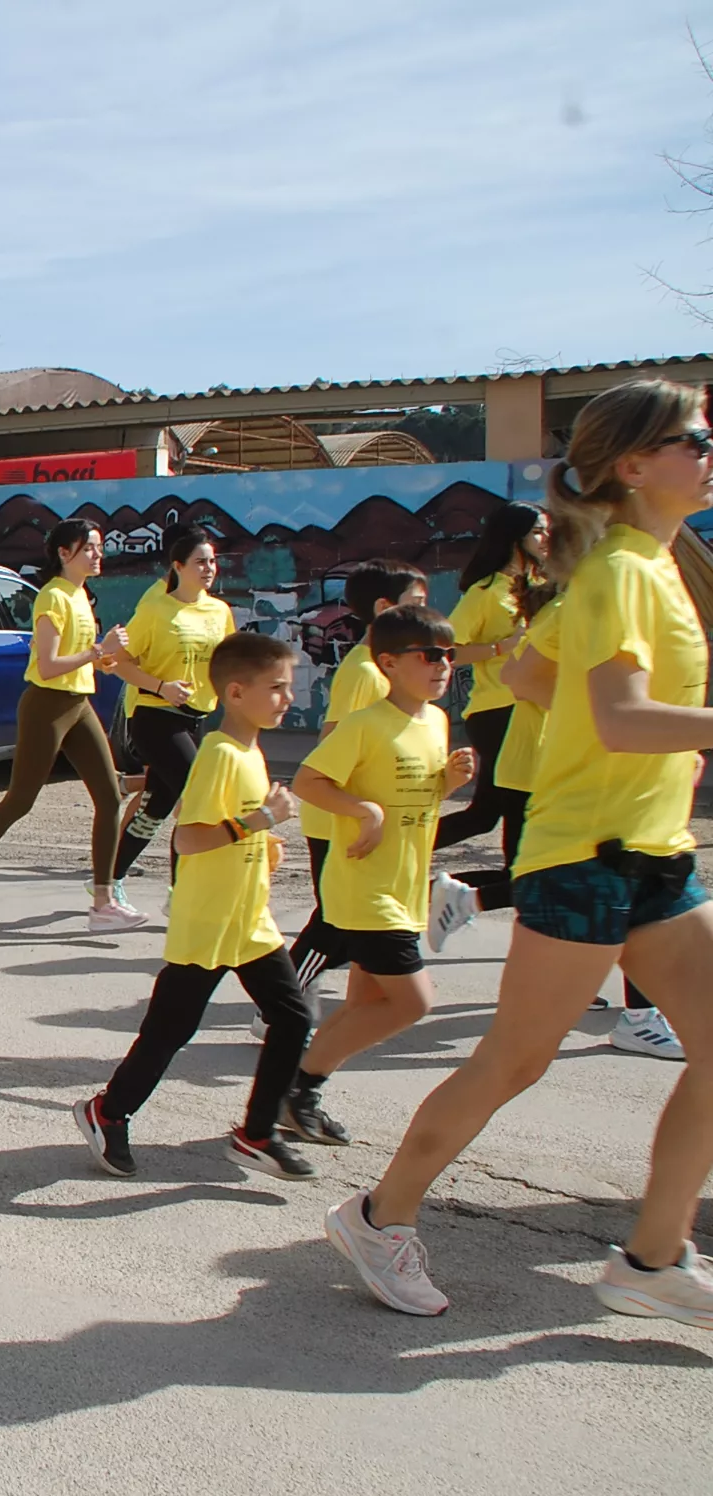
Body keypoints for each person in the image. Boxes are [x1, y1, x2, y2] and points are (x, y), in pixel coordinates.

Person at [329, 380, 713, 1325]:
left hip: (652, 849)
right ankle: (379, 1217)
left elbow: (539, 668)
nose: (708, 451)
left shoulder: (642, 568)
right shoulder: (621, 570)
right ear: (633, 465)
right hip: (587, 853)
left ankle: (652, 1260)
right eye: (694, 439)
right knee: (513, 1060)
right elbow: (620, 715)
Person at [74, 631, 316, 1181]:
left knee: (293, 1016)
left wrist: (263, 844)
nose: (288, 698)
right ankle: (107, 1113)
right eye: (276, 688)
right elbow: (188, 839)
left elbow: (232, 831)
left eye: (288, 687)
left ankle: (257, 1133)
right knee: (170, 1031)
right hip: (208, 921)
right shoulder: (220, 755)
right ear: (235, 692)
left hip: (249, 919)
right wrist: (258, 823)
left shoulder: (251, 752)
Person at [277, 605, 476, 1149]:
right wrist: (365, 812)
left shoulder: (435, 722)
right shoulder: (366, 724)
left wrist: (449, 783)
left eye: (449, 654)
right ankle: (298, 1087)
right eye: (428, 654)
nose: (442, 664)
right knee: (413, 1002)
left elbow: (420, 801)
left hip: (406, 885)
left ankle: (296, 1091)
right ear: (388, 662)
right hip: (365, 887)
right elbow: (310, 780)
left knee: (367, 1005)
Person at [498, 584, 684, 1058]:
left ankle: (630, 1011)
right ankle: (637, 1017)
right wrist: (590, 719)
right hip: (583, 801)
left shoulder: (630, 580)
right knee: (510, 1062)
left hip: (637, 815)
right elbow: (518, 677)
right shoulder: (603, 587)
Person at [0, 519, 143, 931]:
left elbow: (81, 658)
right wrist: (98, 650)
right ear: (65, 553)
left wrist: (106, 659)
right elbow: (48, 664)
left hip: (78, 703)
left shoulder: (81, 595)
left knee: (111, 797)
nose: (99, 555)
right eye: (90, 548)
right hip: (47, 704)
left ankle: (103, 903)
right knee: (21, 800)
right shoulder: (53, 597)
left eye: (98, 548)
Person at [288, 561, 432, 992]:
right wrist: (357, 809)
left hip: (364, 819)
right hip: (338, 819)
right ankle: (282, 1003)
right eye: (417, 605)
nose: (426, 615)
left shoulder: (385, 669)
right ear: (385, 608)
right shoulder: (366, 670)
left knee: (356, 924)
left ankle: (362, 1006)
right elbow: (333, 741)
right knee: (335, 923)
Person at [422, 503, 551, 936]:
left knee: (491, 814)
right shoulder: (485, 592)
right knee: (510, 814)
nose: (546, 538)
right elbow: (447, 650)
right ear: (515, 537)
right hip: (498, 711)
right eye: (538, 531)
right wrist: (501, 647)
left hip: (536, 711)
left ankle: (423, 871)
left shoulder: (541, 584)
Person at [105, 525, 236, 896]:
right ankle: (183, 892)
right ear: (178, 566)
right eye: (200, 562)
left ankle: (108, 880)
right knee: (197, 796)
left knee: (157, 807)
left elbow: (227, 662)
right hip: (155, 715)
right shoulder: (155, 609)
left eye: (212, 561)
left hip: (196, 716)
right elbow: (117, 662)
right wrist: (162, 686)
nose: (209, 569)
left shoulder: (219, 610)